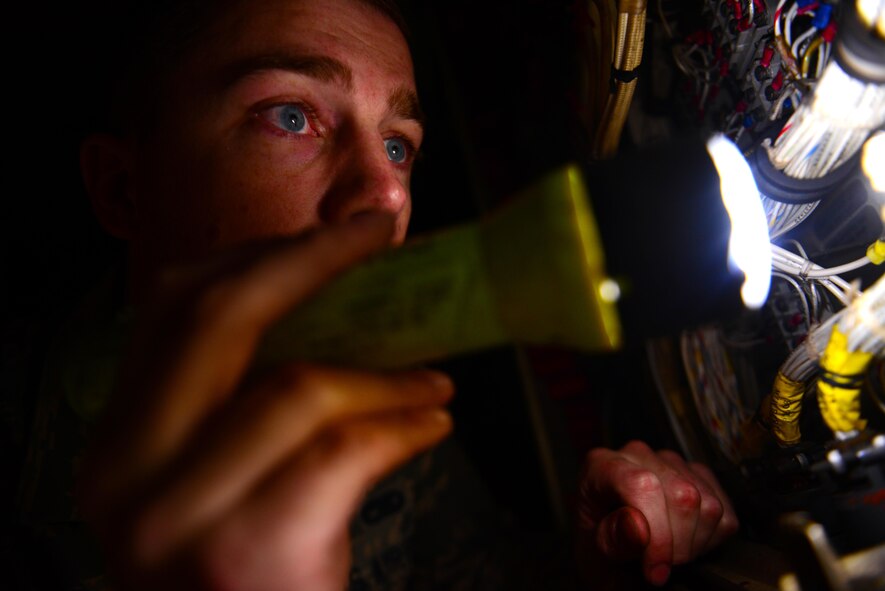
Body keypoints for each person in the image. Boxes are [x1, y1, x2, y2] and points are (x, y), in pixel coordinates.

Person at [15, 0, 738, 589]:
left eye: (398, 144)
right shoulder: (56, 518)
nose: (386, 192)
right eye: (290, 116)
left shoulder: (356, 365)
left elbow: (465, 572)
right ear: (123, 190)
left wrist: (590, 559)